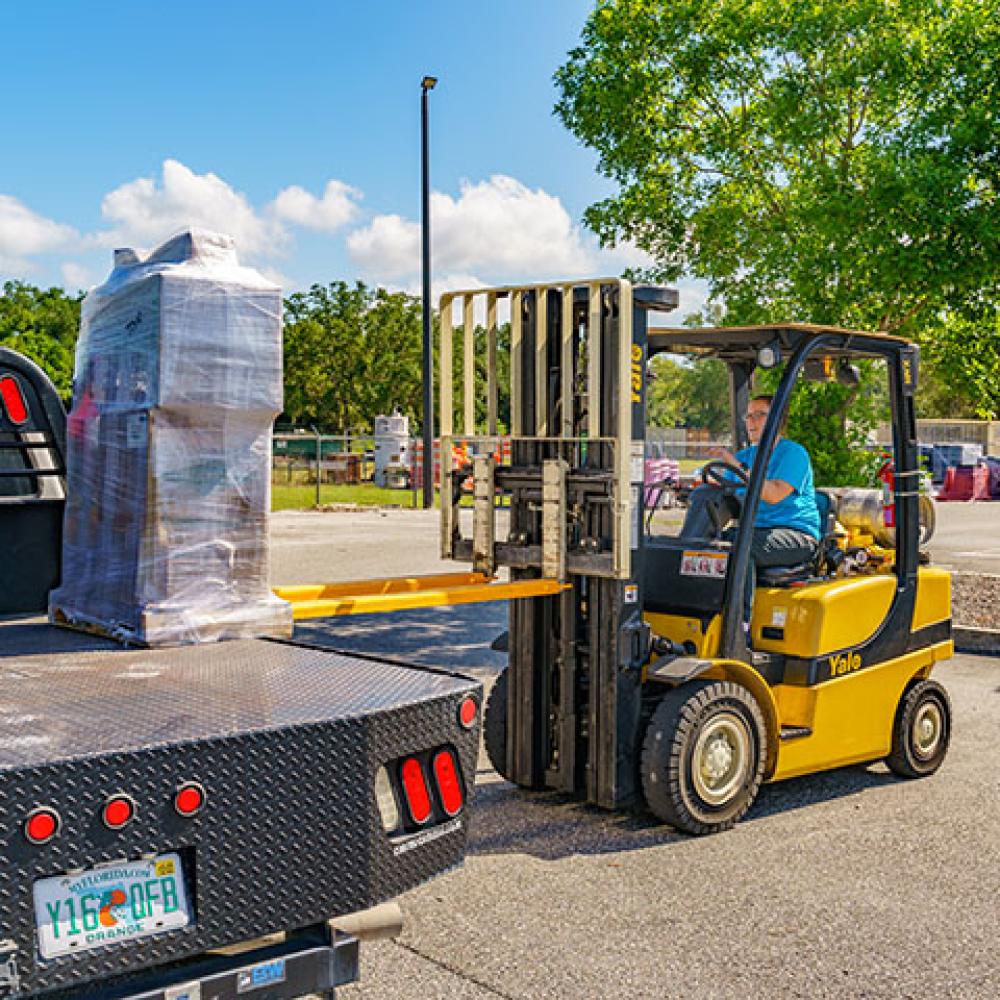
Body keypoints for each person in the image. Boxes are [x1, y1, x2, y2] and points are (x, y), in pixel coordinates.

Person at [712, 394, 821, 628]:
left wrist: (738, 467)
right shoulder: (744, 456)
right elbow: (723, 490)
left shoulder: (793, 454)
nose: (751, 422)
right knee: (708, 543)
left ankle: (739, 628)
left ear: (777, 420)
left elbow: (773, 494)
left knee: (743, 546)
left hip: (796, 535)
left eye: (759, 415)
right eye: (748, 416)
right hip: (757, 532)